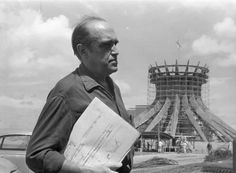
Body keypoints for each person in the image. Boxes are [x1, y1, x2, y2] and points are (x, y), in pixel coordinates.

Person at [26, 16, 134, 173]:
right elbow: (36, 154)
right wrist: (84, 171)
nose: (116, 52)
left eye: (115, 44)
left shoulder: (113, 88)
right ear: (83, 51)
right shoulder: (67, 91)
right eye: (106, 45)